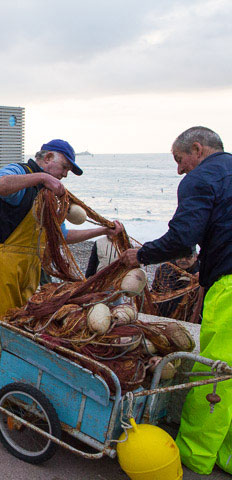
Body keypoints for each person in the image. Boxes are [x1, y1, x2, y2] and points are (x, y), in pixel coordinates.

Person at [0, 139, 123, 410]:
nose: (65, 175)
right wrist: (41, 177)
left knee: (24, 330)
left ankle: (14, 391)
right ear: (48, 157)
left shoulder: (46, 196)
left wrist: (102, 231)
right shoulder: (18, 171)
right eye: (65, 167)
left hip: (27, 267)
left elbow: (65, 235)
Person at [120, 126, 232, 475]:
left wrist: (141, 255)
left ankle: (195, 455)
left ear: (196, 149)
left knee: (215, 374)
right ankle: (227, 455)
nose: (179, 170)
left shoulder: (200, 179)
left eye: (179, 160)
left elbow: (183, 240)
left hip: (230, 286)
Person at [151, 246, 199, 320]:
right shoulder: (163, 269)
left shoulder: (204, 273)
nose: (183, 260)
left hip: (189, 318)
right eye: (179, 256)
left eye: (188, 257)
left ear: (195, 257)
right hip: (161, 316)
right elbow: (154, 291)